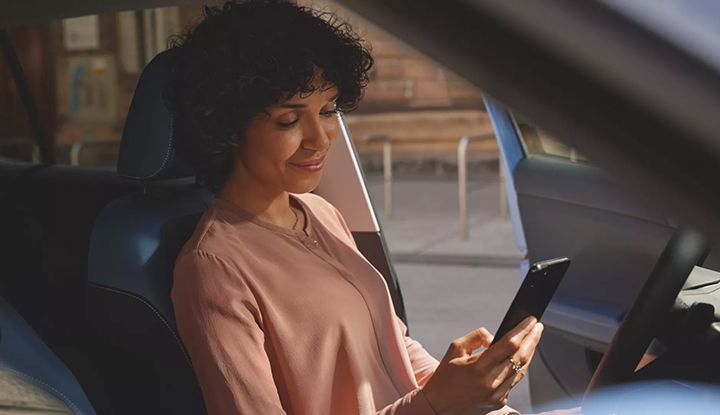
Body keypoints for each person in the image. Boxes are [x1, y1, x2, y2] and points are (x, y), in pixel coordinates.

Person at [168, 1, 578, 414]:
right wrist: (437, 404)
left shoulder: (321, 213)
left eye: (328, 111)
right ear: (229, 126)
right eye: (289, 121)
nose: (321, 138)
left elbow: (390, 344)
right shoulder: (213, 267)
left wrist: (463, 385)